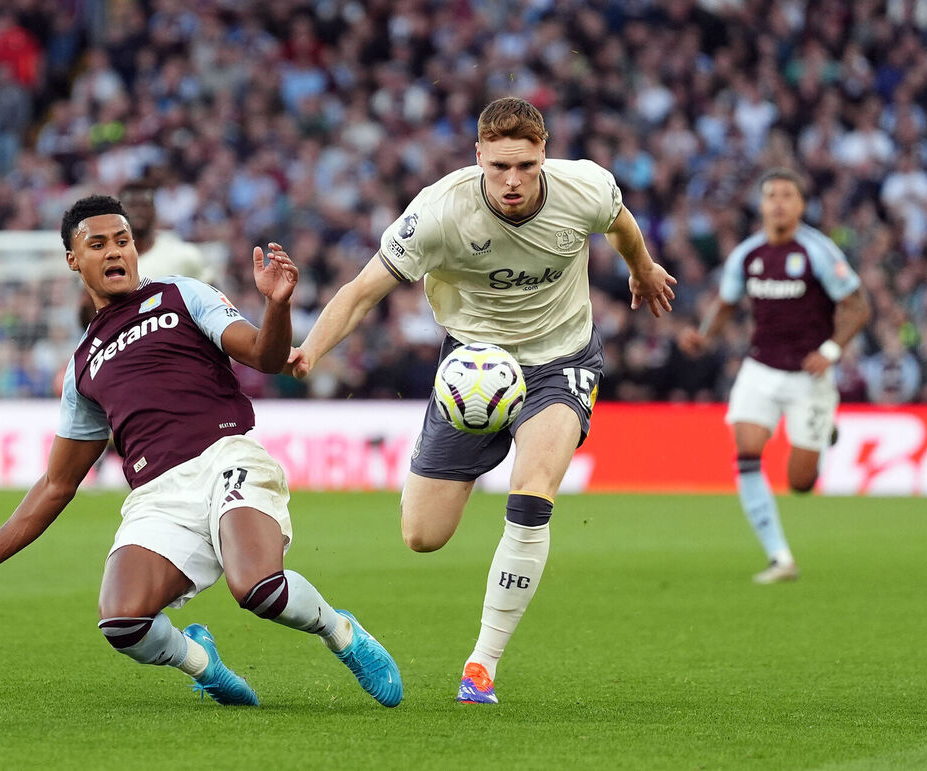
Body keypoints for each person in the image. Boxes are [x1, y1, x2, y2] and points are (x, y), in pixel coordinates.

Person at [0, 195, 402, 708]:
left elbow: (265, 355)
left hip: (225, 457)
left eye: (122, 241)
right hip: (158, 494)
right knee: (122, 623)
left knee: (258, 589)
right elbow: (57, 484)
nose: (114, 252)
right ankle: (201, 661)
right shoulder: (82, 366)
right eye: (97, 244)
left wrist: (276, 305)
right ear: (73, 260)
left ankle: (342, 634)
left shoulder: (180, 295)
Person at [286, 97, 677, 704]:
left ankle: (481, 665)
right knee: (422, 535)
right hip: (470, 369)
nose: (512, 180)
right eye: (499, 167)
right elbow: (363, 291)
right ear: (478, 159)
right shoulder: (439, 213)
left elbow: (623, 228)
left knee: (532, 496)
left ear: (544, 153)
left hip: (560, 360)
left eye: (524, 165)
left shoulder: (586, 188)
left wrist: (643, 270)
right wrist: (310, 350)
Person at [678, 168, 870, 583]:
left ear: (801, 205)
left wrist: (830, 350)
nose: (778, 202)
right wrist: (706, 335)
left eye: (787, 195)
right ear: (762, 205)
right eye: (771, 196)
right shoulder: (748, 254)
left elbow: (858, 305)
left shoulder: (818, 252)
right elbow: (728, 302)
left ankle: (825, 433)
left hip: (809, 376)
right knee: (746, 454)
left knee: (799, 482)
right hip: (760, 368)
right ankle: (779, 557)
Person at [77, 178, 217, 328]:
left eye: (144, 205)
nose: (139, 211)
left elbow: (214, 302)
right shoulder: (102, 261)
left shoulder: (183, 254)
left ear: (155, 210)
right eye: (132, 205)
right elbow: (88, 319)